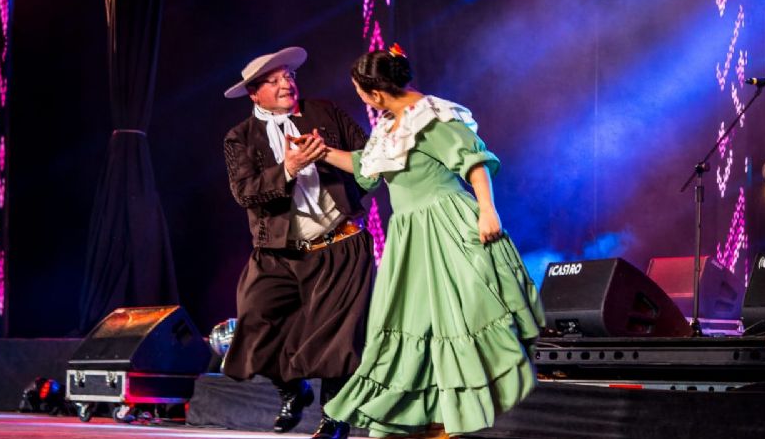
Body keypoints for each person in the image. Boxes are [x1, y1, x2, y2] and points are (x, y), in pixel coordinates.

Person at [318, 45, 546, 438]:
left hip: (445, 225)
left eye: (360, 91)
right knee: (414, 324)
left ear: (376, 93)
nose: (359, 98)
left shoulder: (432, 117)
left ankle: (455, 413)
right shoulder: (388, 125)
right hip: (409, 237)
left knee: (460, 315)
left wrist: (487, 210)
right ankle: (425, 418)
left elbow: (474, 162)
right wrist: (320, 153)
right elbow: (366, 169)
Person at [221, 46, 373, 439]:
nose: (285, 82)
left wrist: (328, 156)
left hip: (340, 244)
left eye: (287, 74)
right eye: (273, 80)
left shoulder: (325, 112)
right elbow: (244, 192)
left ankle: (334, 418)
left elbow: (368, 156)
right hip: (277, 251)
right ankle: (292, 389)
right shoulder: (240, 138)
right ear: (255, 93)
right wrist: (287, 168)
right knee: (255, 322)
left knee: (336, 339)